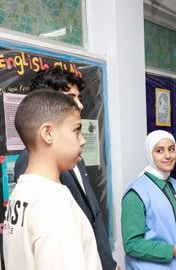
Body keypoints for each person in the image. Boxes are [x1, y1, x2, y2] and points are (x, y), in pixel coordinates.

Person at [13, 67, 118, 270]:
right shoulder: (41, 184)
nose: (79, 105)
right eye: (70, 98)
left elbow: (93, 214)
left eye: (79, 98)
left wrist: (108, 263)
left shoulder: (72, 157)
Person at [3, 90, 101, 270]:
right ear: (48, 133)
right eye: (76, 130)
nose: (83, 141)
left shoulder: (22, 191)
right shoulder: (53, 202)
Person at [121, 130, 176, 270]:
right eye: (159, 150)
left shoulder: (175, 185)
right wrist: (175, 250)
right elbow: (132, 245)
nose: (168, 156)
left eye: (171, 149)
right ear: (149, 154)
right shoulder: (136, 193)